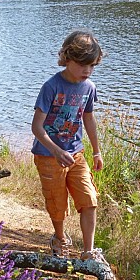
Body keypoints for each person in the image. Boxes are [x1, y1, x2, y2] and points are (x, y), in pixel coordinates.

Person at [31, 30, 108, 264]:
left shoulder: (89, 88)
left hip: (76, 153)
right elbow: (37, 127)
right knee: (57, 203)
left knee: (89, 198)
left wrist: (96, 151)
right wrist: (56, 150)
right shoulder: (51, 86)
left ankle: (88, 251)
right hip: (48, 155)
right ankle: (60, 239)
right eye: (83, 64)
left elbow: (88, 118)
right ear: (68, 58)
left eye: (92, 66)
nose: (88, 71)